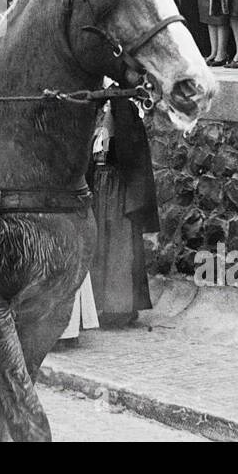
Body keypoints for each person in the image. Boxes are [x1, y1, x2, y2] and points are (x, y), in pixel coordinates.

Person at [87, 95, 158, 326]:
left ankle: (120, 307)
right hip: (98, 184)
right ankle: (99, 304)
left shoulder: (125, 110)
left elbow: (132, 154)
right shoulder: (96, 108)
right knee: (98, 244)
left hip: (118, 188)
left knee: (119, 245)